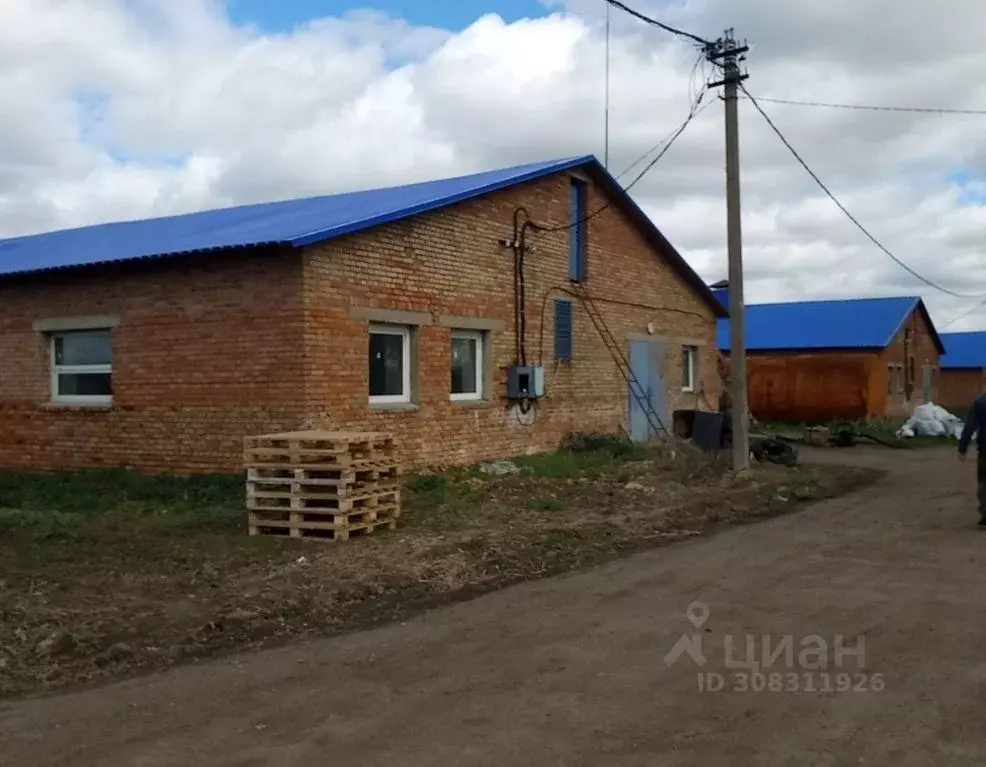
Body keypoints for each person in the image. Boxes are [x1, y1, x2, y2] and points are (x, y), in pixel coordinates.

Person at [958, 390, 986, 526]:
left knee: (984, 481)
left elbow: (970, 426)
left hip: (985, 449)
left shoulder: (979, 402)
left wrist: (962, 448)